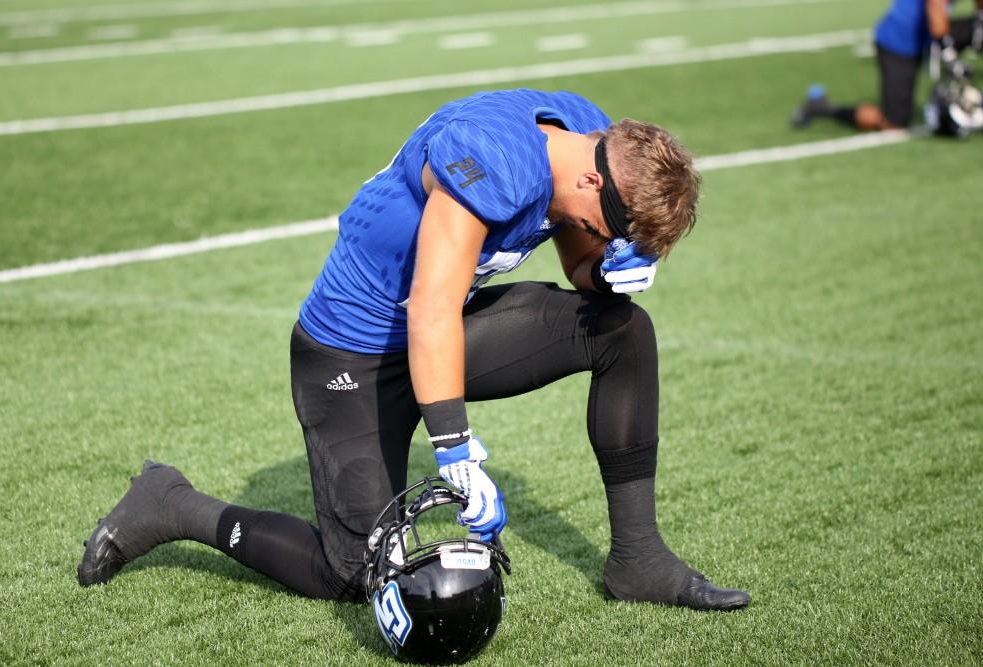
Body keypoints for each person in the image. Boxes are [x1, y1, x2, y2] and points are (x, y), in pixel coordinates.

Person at [78, 88, 751, 612]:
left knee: (622, 328)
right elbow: (427, 306)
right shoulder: (491, 158)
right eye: (613, 230)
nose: (603, 238)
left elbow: (580, 267)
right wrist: (456, 454)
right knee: (351, 576)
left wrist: (609, 272)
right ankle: (172, 503)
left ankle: (637, 557)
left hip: (439, 333)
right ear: (593, 182)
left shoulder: (587, 135)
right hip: (352, 354)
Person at [792, 0, 983, 131]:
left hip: (928, 34)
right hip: (899, 42)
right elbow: (934, 7)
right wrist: (949, 56)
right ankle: (822, 108)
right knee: (893, 123)